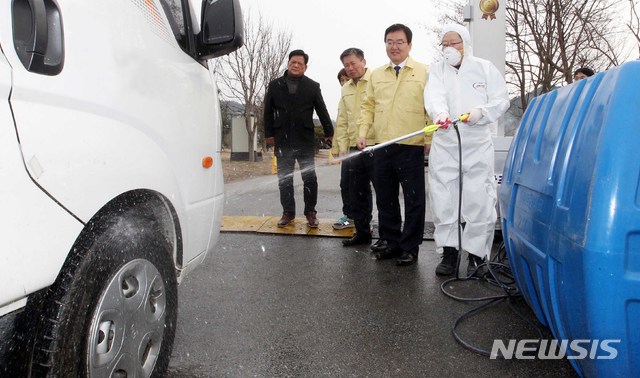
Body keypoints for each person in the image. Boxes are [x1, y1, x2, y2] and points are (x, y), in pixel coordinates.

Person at [424, 23, 510, 277]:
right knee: (444, 197)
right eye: (446, 44)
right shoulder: (437, 70)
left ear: (466, 44)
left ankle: (476, 255)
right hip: (446, 141)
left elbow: (501, 99)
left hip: (477, 141)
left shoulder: (484, 68)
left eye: (455, 43)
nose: (450, 48)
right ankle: (449, 252)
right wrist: (440, 114)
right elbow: (434, 96)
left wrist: (481, 113)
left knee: (478, 198)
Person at [357, 24, 429, 266]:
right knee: (385, 198)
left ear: (409, 45)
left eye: (399, 41)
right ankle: (391, 241)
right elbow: (368, 106)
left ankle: (410, 247)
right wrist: (363, 132)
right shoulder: (377, 74)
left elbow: (431, 107)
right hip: (382, 145)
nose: (394, 46)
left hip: (412, 144)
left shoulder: (423, 72)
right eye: (389, 41)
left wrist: (429, 139)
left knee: (413, 199)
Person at [264, 49, 334, 228]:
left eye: (299, 63)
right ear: (288, 63)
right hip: (282, 138)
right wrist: (269, 134)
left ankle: (310, 211)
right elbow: (267, 112)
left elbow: (322, 110)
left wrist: (329, 132)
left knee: (309, 178)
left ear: (305, 67)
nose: (295, 65)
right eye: (292, 62)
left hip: (304, 138)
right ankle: (288, 212)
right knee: (284, 178)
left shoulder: (313, 86)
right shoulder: (274, 85)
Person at [334, 48, 382, 248]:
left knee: (383, 192)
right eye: (346, 65)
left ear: (363, 61)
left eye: (353, 63)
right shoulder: (345, 89)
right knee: (357, 192)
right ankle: (362, 232)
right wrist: (343, 146)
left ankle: (388, 236)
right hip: (354, 147)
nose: (350, 68)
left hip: (376, 144)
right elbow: (343, 119)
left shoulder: (376, 80)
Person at [332, 67, 356, 231]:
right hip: (346, 149)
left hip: (358, 146)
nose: (343, 83)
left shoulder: (360, 96)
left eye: (346, 79)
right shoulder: (343, 99)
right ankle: (349, 216)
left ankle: (360, 218)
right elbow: (340, 125)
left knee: (358, 185)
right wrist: (336, 147)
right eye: (341, 81)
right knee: (345, 183)